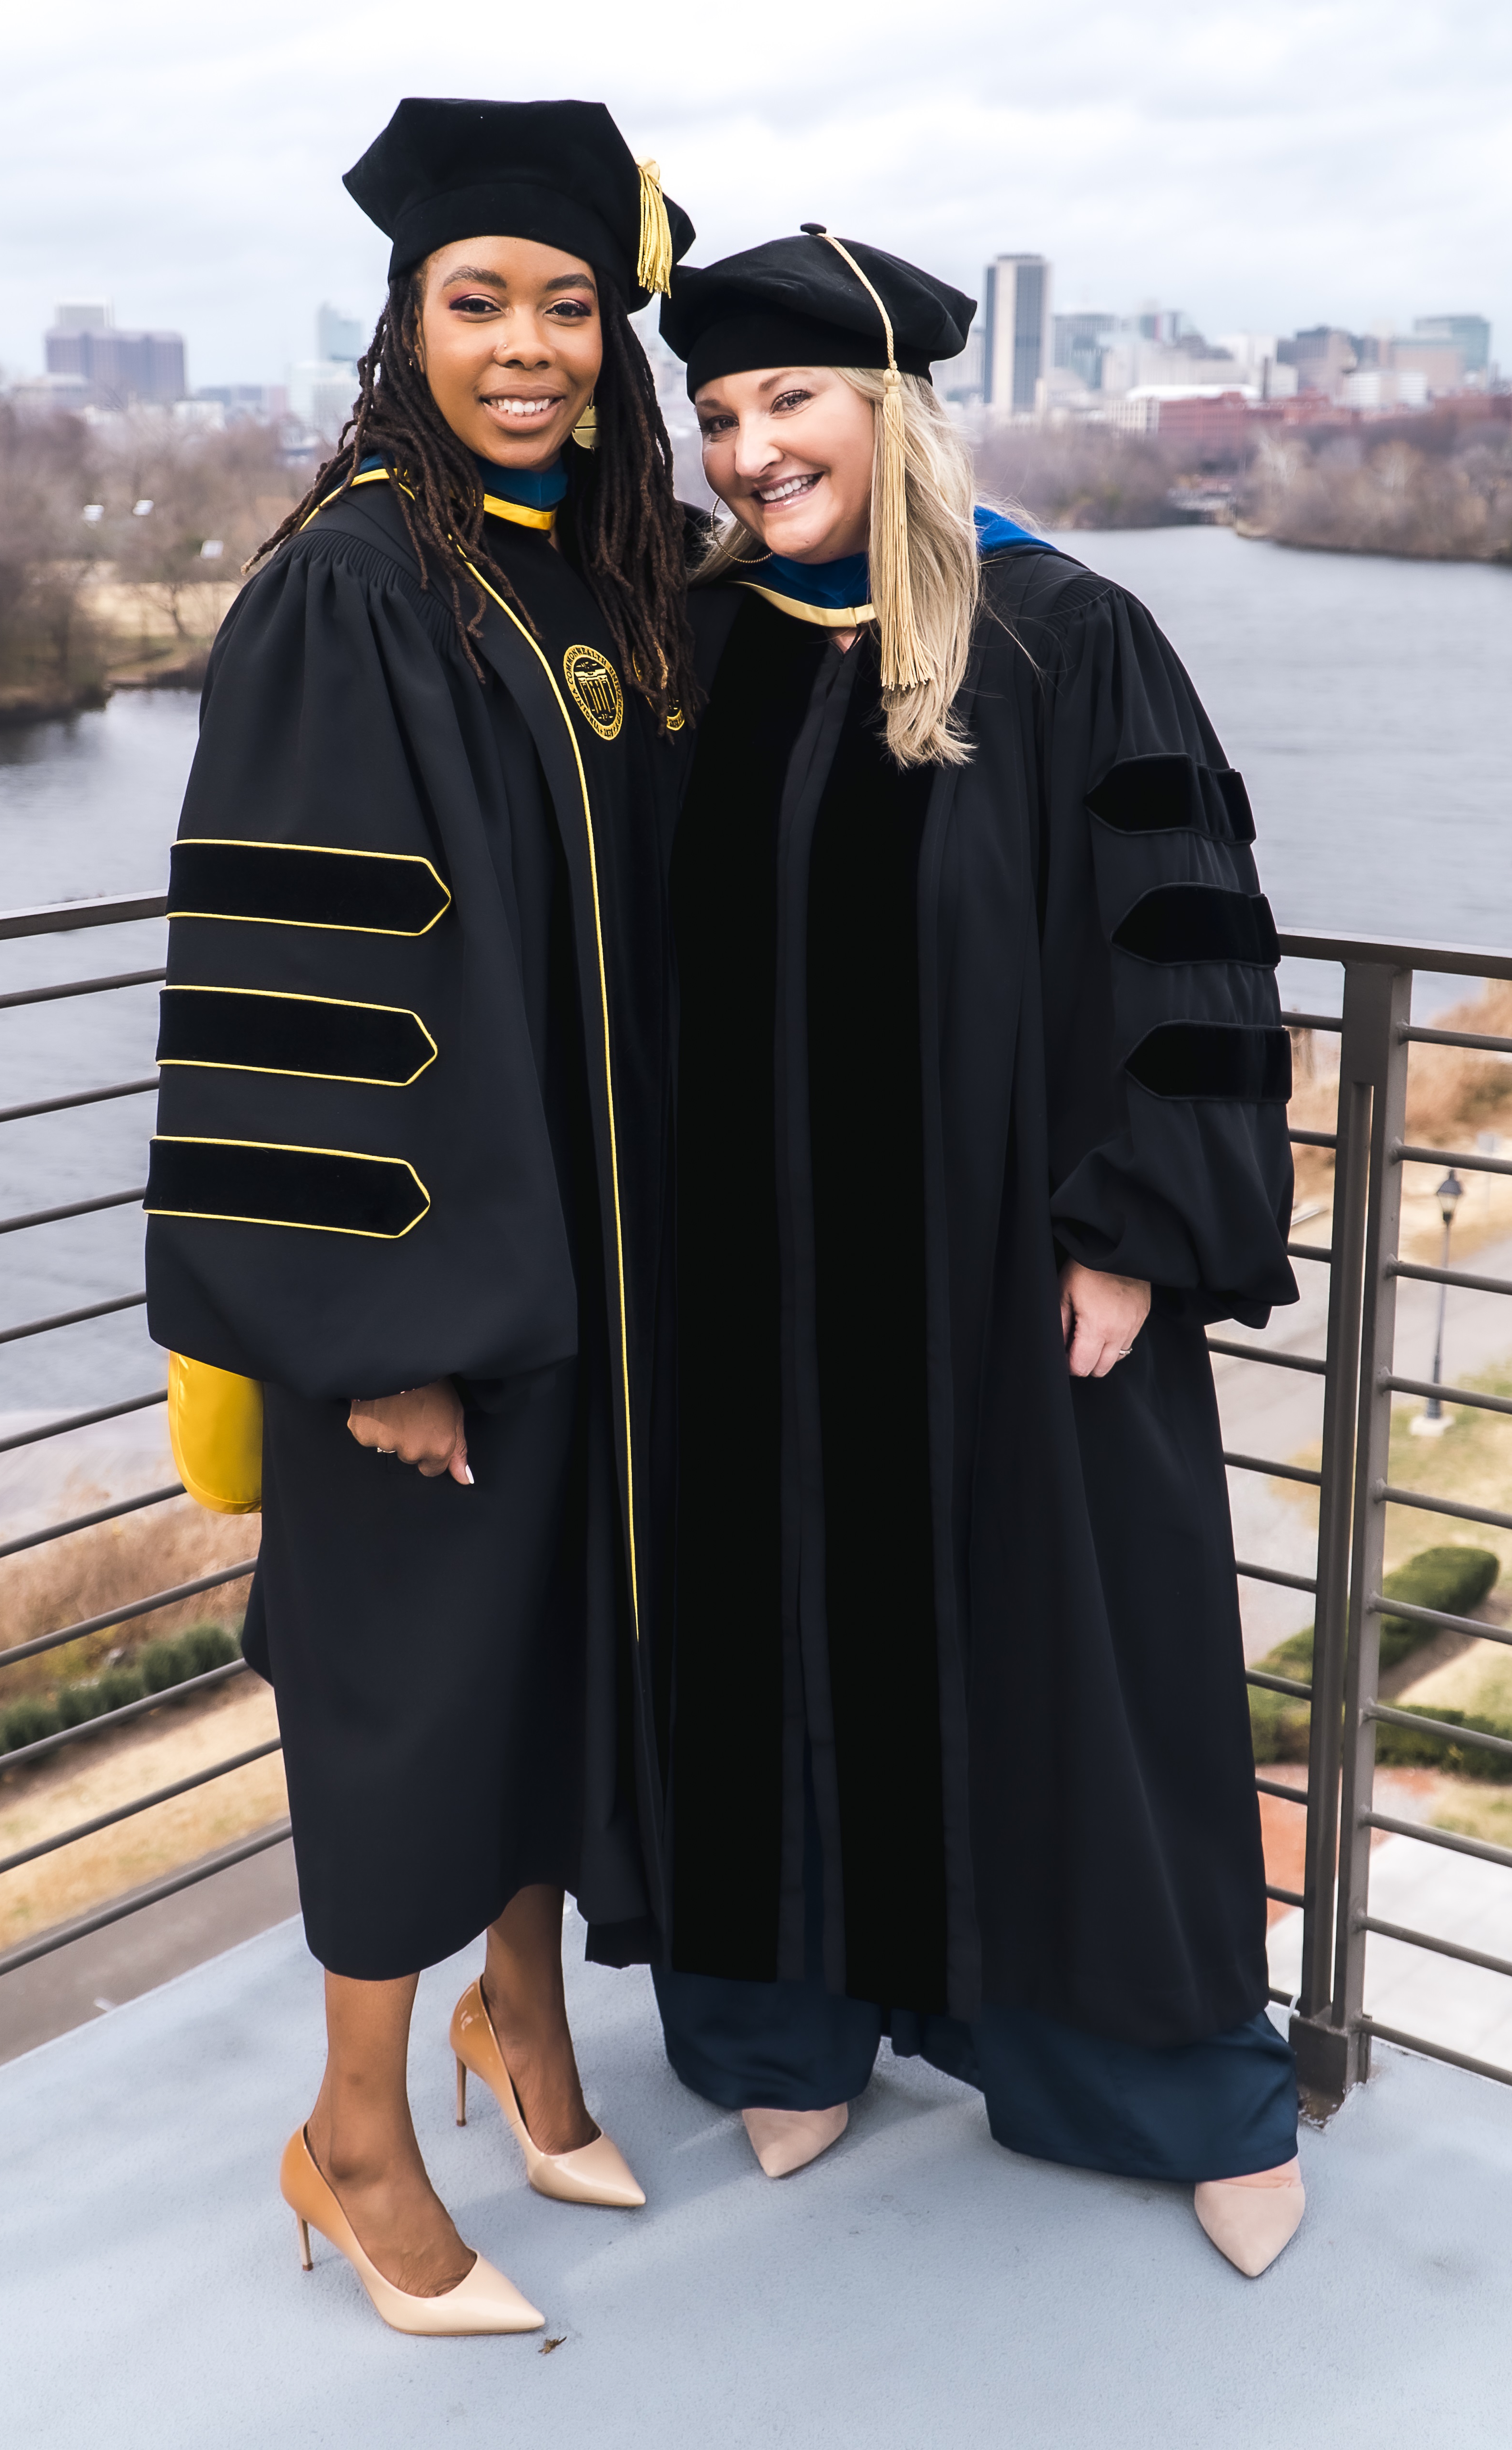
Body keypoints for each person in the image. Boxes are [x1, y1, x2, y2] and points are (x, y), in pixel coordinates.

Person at [650, 229, 1306, 2278]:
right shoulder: (705, 647)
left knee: (1077, 1655)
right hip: (747, 1284)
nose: (753, 449)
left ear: (891, 409)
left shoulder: (1058, 635)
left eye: (791, 404)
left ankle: (1163, 2074)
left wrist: (1129, 1234)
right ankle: (790, 2017)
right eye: (725, 413)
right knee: (768, 1638)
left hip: (1007, 1273)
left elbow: (1188, 948)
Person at [144, 97, 697, 2335]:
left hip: (596, 1274)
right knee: (403, 1704)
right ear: (408, 325)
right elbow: (298, 984)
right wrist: (379, 1333)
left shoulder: (597, 565)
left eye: (568, 305)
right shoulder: (356, 583)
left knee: (549, 1667)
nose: (530, 345)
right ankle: (355, 2131)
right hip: (420, 1294)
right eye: (480, 303)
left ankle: (523, 2025)